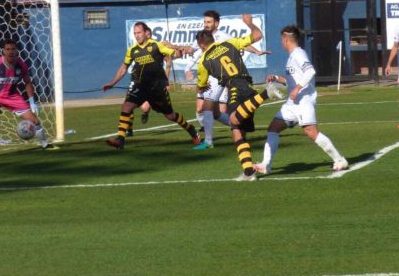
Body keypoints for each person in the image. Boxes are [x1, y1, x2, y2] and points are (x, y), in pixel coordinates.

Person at [164, 10, 270, 150]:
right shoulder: (204, 37)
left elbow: (242, 44)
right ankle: (236, 128)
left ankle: (209, 141)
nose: (206, 25)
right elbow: (190, 49)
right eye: (205, 22)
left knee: (207, 106)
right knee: (215, 112)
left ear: (216, 23)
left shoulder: (222, 37)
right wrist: (174, 47)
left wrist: (255, 51)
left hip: (221, 77)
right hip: (219, 75)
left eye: (209, 22)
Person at [195, 14, 283, 181]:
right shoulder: (230, 42)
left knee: (234, 121)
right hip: (246, 85)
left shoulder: (203, 61)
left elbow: (201, 85)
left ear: (202, 45)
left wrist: (201, 85)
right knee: (237, 131)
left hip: (235, 88)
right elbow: (257, 36)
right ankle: (249, 172)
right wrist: (249, 23)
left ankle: (266, 93)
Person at [253, 25, 349, 175]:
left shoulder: (298, 54)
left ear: (286, 39)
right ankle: (266, 164)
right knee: (273, 128)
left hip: (304, 101)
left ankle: (339, 159)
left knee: (311, 132)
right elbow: (290, 80)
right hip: (292, 104)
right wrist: (277, 78)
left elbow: (310, 71)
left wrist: (297, 88)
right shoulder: (291, 57)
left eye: (281, 39)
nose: (281, 42)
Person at [102, 22, 200, 149]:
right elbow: (124, 67)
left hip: (157, 88)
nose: (137, 35)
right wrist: (112, 82)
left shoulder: (156, 45)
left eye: (139, 32)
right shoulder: (132, 50)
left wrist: (180, 52)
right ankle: (120, 140)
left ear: (145, 33)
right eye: (135, 33)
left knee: (170, 116)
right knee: (126, 107)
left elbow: (173, 54)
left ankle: (191, 129)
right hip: (140, 86)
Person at [0, 38, 51, 156]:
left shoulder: (21, 65)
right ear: (3, 51)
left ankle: (45, 144)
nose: (11, 52)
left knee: (34, 120)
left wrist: (31, 101)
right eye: (8, 49)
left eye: (13, 49)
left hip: (13, 97)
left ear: (17, 51)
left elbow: (28, 82)